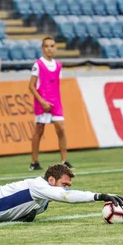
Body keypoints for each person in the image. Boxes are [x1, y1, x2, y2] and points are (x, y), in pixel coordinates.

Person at [28, 37, 72, 171]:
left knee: (61, 129)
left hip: (55, 101)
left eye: (52, 46)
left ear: (55, 48)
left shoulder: (58, 65)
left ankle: (64, 160)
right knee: (39, 131)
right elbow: (31, 86)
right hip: (42, 101)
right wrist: (42, 101)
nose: (49, 48)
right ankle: (34, 162)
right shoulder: (38, 64)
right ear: (42, 48)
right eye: (46, 46)